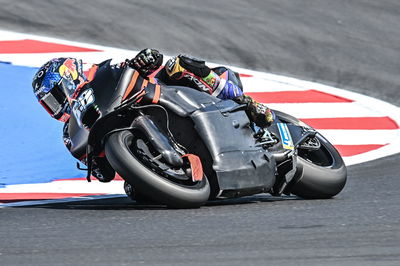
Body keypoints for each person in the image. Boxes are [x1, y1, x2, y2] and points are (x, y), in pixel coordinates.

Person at [32, 49, 274, 181]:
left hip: (158, 97)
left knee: (178, 65)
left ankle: (243, 102)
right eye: (48, 104)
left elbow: (148, 62)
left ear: (67, 78)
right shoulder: (70, 134)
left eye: (53, 97)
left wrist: (143, 60)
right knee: (135, 194)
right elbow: (103, 174)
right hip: (134, 136)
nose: (54, 106)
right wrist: (96, 164)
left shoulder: (102, 72)